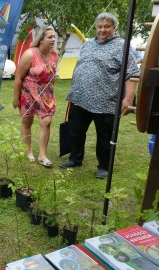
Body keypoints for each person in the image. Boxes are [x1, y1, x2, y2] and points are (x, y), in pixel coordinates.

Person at [59, 12, 140, 179]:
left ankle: (104, 166)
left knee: (105, 135)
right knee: (76, 131)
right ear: (96, 27)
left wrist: (128, 98)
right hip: (79, 98)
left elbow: (132, 73)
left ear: (114, 28)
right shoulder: (88, 44)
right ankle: (75, 158)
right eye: (100, 26)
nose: (103, 30)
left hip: (106, 101)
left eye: (107, 26)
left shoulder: (121, 46)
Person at [13, 26, 58, 168]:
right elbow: (19, 77)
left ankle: (42, 155)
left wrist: (51, 92)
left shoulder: (54, 55)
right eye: (50, 37)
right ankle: (28, 152)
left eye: (54, 37)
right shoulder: (30, 54)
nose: (53, 40)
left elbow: (52, 75)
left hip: (46, 94)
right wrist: (16, 98)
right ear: (41, 39)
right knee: (27, 123)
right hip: (28, 93)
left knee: (46, 122)